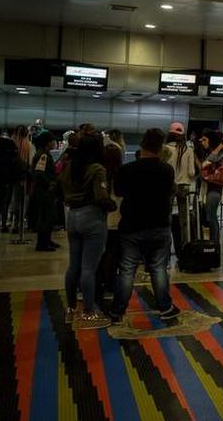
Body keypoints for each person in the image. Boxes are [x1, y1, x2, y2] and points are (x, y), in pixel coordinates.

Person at [110, 128, 179, 323]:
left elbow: (118, 192)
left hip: (132, 225)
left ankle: (117, 311)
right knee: (158, 269)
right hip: (159, 224)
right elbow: (170, 191)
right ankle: (165, 307)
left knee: (127, 270)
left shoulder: (126, 170)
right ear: (160, 147)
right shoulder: (167, 170)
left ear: (142, 145)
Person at [58, 134, 117, 329]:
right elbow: (101, 196)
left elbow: (58, 186)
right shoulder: (97, 168)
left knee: (73, 266)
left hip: (72, 216)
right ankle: (89, 312)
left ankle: (71, 309)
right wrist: (112, 205)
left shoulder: (70, 165)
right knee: (88, 268)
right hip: (92, 217)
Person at [163, 122, 200, 252]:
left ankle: (166, 250)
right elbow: (191, 172)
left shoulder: (165, 149)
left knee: (166, 218)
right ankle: (184, 249)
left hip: (168, 187)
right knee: (184, 220)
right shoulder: (188, 150)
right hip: (184, 187)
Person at [29, 130, 60, 252]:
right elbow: (39, 173)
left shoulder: (44, 153)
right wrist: (49, 184)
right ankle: (42, 243)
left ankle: (47, 240)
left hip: (43, 190)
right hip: (44, 191)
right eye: (53, 141)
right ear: (48, 142)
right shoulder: (43, 155)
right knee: (45, 217)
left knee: (48, 216)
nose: (55, 143)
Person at [199, 131, 223, 244]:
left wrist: (217, 148)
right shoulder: (210, 153)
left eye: (205, 140)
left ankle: (214, 243)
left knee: (211, 217)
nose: (202, 142)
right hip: (209, 188)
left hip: (214, 188)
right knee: (210, 216)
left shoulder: (218, 155)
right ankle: (214, 243)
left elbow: (206, 163)